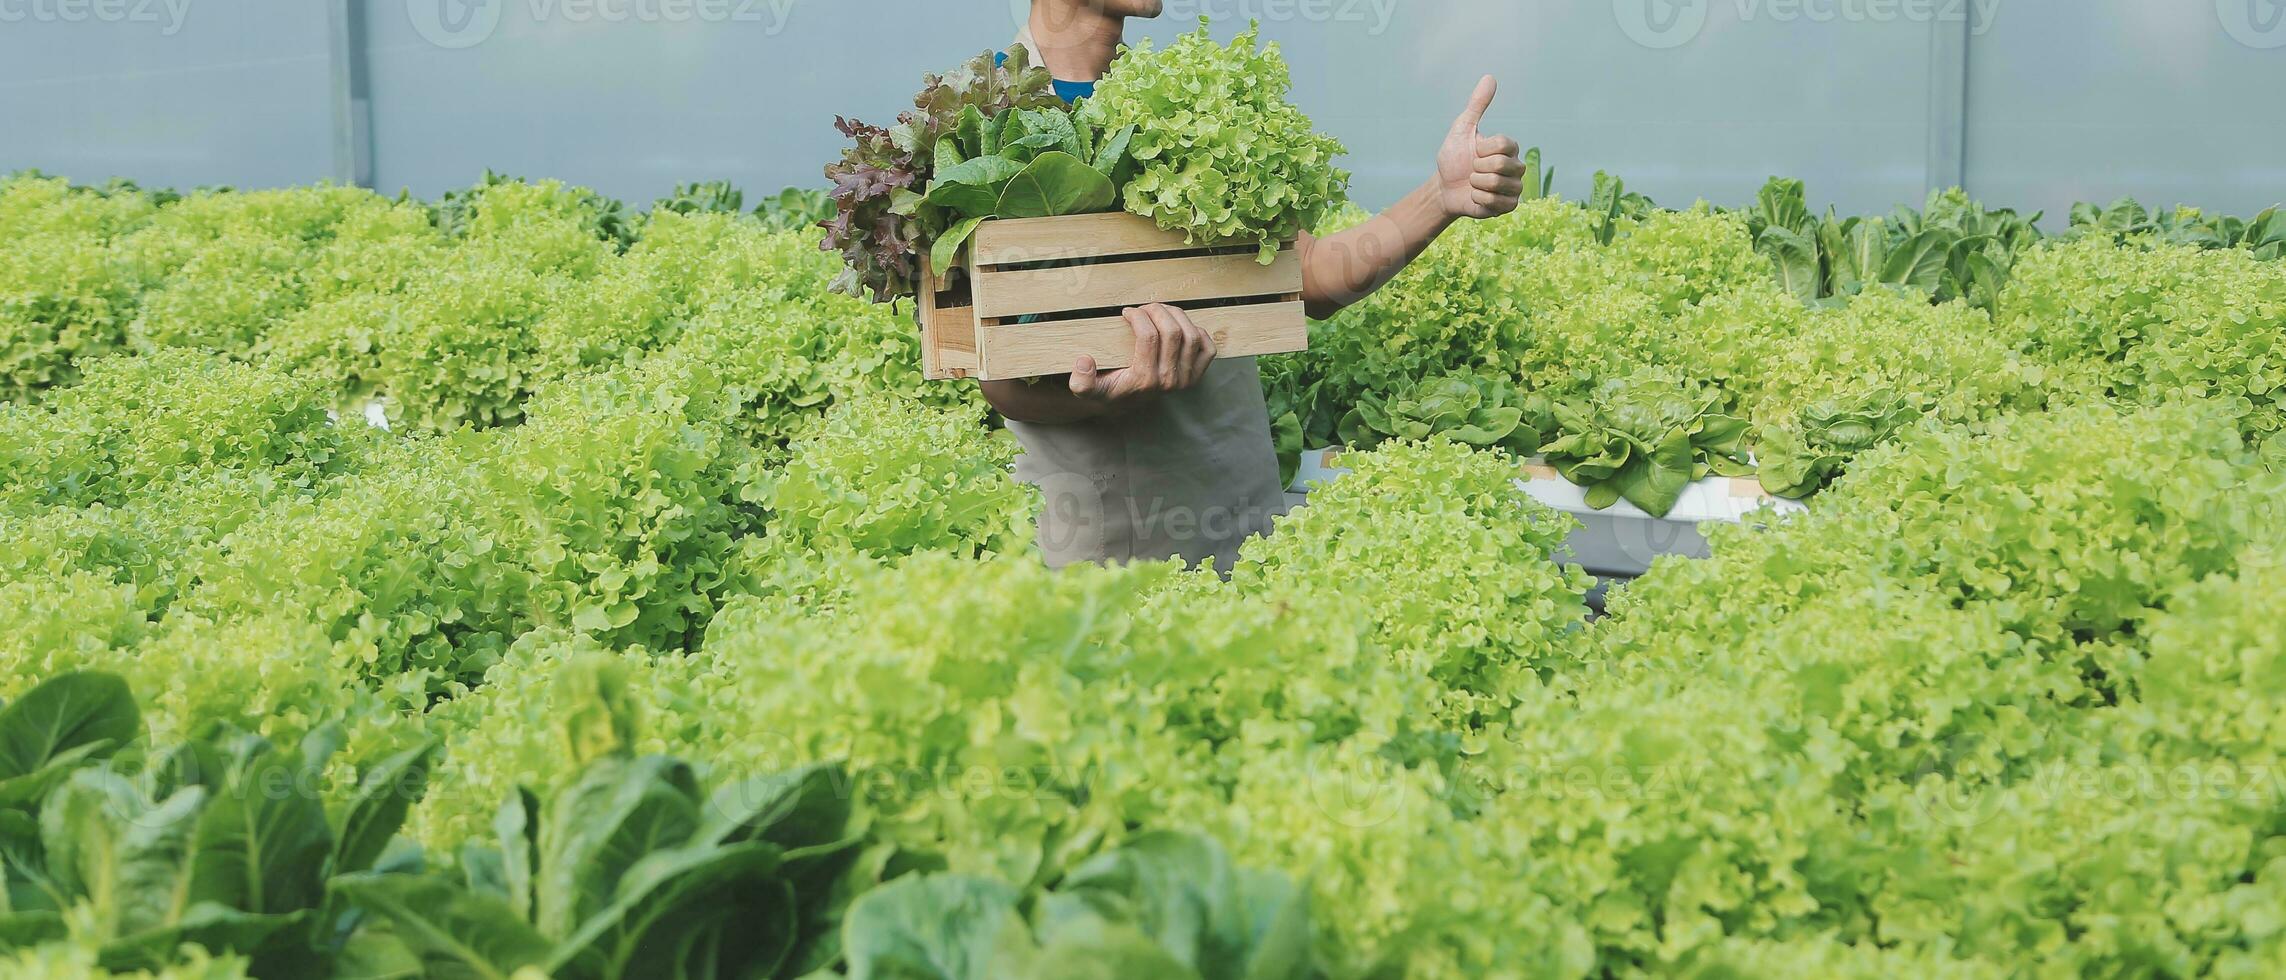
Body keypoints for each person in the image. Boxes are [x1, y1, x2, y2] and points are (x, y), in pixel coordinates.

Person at [985, 0, 1532, 572]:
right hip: (1108, 540)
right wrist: (1102, 396)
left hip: (1239, 513)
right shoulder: (979, 118)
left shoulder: (1187, 100)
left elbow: (1310, 278)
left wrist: (1441, 196)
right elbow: (995, 376)